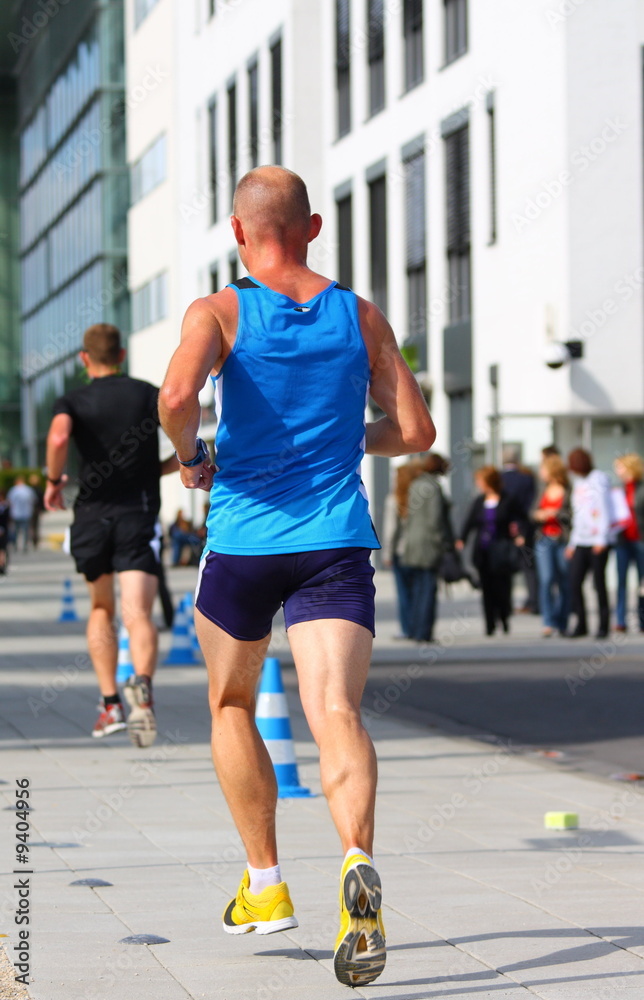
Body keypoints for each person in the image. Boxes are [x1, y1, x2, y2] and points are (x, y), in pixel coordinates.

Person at [158, 166, 435, 988]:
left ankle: (266, 884)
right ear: (312, 228)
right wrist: (350, 439)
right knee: (335, 710)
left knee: (232, 704)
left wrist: (191, 456)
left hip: (244, 544)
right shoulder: (361, 315)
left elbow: (175, 394)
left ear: (238, 233)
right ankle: (355, 858)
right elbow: (416, 431)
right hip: (335, 544)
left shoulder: (218, 311)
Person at [44, 323, 178, 745]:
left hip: (91, 517)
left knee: (102, 608)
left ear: (84, 359)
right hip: (137, 515)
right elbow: (181, 423)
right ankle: (143, 688)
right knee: (138, 614)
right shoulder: (147, 394)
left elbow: (59, 436)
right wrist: (169, 466)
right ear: (121, 355)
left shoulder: (73, 400)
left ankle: (110, 706)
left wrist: (53, 481)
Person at [457, 466, 526, 636]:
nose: (478, 484)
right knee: (487, 588)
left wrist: (520, 534)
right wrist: (462, 539)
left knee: (503, 587)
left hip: (502, 550)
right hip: (483, 551)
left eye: (481, 481)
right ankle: (489, 624)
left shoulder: (508, 499)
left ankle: (504, 617)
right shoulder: (479, 501)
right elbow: (469, 522)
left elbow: (521, 518)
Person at [400, 453, 453, 643]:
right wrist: (443, 544)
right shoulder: (433, 488)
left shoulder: (415, 485)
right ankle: (424, 632)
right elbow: (435, 520)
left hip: (413, 543)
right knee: (428, 589)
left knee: (417, 589)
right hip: (429, 544)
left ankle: (415, 629)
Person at [565, 447, 611, 638]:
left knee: (598, 584)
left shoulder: (598, 479)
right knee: (574, 582)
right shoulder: (578, 482)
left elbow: (604, 509)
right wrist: (572, 543)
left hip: (597, 541)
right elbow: (578, 516)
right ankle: (581, 623)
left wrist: (602, 538)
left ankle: (603, 626)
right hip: (581, 540)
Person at [381, 460, 423, 639]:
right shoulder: (419, 497)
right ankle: (419, 627)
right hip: (419, 550)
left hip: (401, 551)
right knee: (419, 592)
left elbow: (391, 530)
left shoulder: (394, 499)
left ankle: (407, 629)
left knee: (404, 593)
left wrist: (387, 553)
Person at [532, 454, 572, 637]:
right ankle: (548, 621)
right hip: (544, 539)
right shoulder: (543, 489)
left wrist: (557, 513)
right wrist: (539, 514)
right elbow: (532, 511)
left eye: (543, 469)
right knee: (546, 579)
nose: (540, 472)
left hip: (562, 539)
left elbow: (573, 514)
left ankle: (562, 621)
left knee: (564, 580)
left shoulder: (568, 490)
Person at [501, 444, 539, 614]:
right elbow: (530, 505)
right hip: (525, 528)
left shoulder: (500, 478)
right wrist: (523, 529)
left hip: (505, 529)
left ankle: (506, 604)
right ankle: (534, 602)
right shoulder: (527, 478)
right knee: (529, 568)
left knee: (505, 569)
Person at [613, 453, 644, 632]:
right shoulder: (619, 490)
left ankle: (642, 620)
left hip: (640, 541)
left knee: (642, 583)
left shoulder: (641, 489)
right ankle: (620, 620)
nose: (617, 471)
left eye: (620, 467)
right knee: (621, 582)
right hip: (623, 541)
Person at [7, 475, 38, 553]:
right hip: (27, 513)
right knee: (25, 531)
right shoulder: (28, 490)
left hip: (15, 513)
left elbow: (9, 502)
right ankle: (25, 546)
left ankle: (15, 545)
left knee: (15, 531)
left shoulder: (13, 490)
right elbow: (34, 500)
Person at [28, 473, 45, 548]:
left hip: (30, 509)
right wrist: (42, 510)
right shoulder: (39, 490)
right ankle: (35, 539)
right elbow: (42, 501)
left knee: (31, 525)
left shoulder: (29, 490)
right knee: (36, 525)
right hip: (36, 509)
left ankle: (32, 537)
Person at [0, 491, 9, 575]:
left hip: (4, 530)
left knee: (3, 549)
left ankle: (2, 564)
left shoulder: (6, 507)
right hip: (3, 530)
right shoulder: (5, 507)